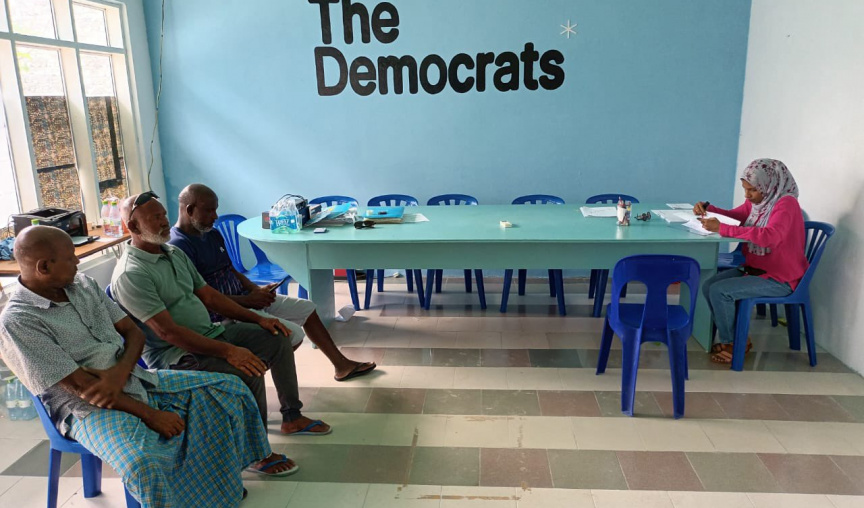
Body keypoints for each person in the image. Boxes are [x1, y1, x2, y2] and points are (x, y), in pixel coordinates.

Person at [0, 226, 296, 508]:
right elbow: (84, 389)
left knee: (229, 390)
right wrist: (151, 414)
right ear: (44, 267)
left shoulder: (83, 285)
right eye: (70, 258)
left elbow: (134, 333)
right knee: (143, 462)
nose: (77, 262)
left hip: (134, 378)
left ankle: (218, 489)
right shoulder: (19, 321)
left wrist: (118, 374)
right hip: (86, 410)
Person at [110, 192, 331, 437]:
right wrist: (229, 351)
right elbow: (168, 333)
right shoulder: (131, 274)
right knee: (248, 368)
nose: (164, 221)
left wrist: (261, 319)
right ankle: (257, 448)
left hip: (210, 332)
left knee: (279, 336)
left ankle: (292, 417)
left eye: (163, 214)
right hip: (176, 354)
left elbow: (211, 297)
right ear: (133, 227)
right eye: (155, 217)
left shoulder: (172, 253)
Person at [169, 184, 375, 382]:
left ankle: (341, 366)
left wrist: (256, 290)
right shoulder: (178, 247)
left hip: (246, 298)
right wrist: (249, 300)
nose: (215, 216)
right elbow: (203, 298)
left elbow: (230, 269)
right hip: (225, 313)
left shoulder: (211, 233)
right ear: (189, 210)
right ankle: (251, 375)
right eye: (209, 210)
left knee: (307, 309)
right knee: (292, 336)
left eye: (216, 209)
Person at [694, 159, 808, 364]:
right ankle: (738, 337)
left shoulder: (786, 204)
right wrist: (709, 209)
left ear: (769, 185)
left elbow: (770, 236)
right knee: (709, 285)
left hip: (780, 277)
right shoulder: (759, 202)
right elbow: (737, 216)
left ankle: (733, 342)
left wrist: (722, 228)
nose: (747, 195)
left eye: (752, 190)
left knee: (720, 291)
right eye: (745, 189)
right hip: (755, 269)